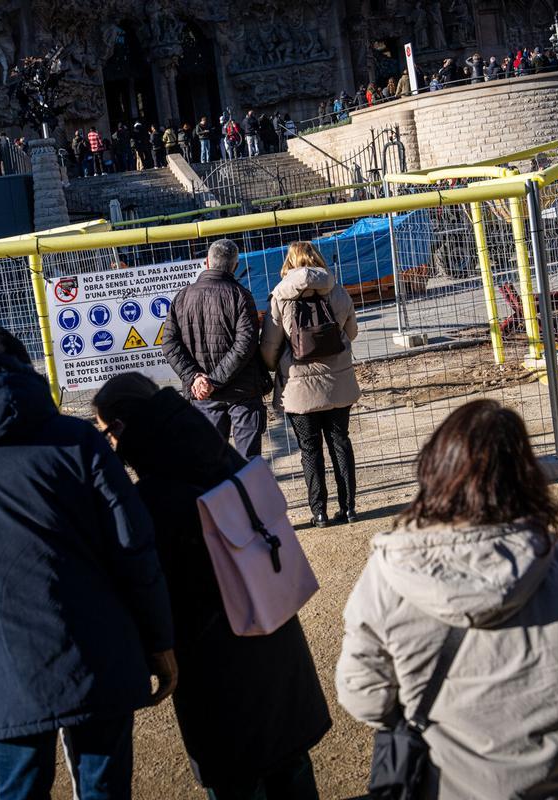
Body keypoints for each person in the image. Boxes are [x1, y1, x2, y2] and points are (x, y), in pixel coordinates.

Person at [0, 322, 176, 800]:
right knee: (105, 790)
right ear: (27, 374)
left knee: (20, 793)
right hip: (98, 657)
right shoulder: (80, 442)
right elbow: (134, 547)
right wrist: (159, 641)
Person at [336, 400, 558, 798]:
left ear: (435, 467)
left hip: (446, 783)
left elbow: (364, 696)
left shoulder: (388, 573)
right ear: (524, 474)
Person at [92, 374, 331, 800]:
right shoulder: (229, 462)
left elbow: (153, 592)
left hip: (216, 673)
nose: (106, 445)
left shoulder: (152, 500)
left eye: (105, 433)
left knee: (237, 779)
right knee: (291, 769)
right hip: (276, 643)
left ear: (124, 429)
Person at [259, 241, 359, 527]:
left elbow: (270, 346)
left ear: (290, 262)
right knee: (340, 442)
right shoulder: (337, 290)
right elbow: (351, 331)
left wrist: (272, 366)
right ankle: (349, 507)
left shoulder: (280, 295)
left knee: (309, 449)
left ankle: (319, 512)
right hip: (338, 382)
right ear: (317, 259)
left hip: (299, 388)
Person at [162, 238, 272, 459]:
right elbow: (246, 344)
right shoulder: (241, 296)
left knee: (209, 463)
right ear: (235, 266)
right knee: (248, 464)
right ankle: (247, 495)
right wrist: (213, 380)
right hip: (242, 393)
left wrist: (195, 378)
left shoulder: (183, 297)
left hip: (203, 396)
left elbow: (169, 343)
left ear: (207, 262)